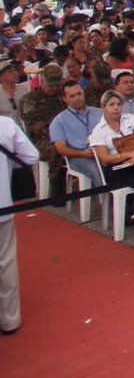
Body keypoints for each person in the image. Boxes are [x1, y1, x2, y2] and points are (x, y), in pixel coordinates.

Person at [89, 89, 134, 240]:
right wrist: (129, 155)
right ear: (103, 108)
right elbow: (105, 158)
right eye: (111, 105)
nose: (116, 108)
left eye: (118, 104)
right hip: (116, 168)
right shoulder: (98, 131)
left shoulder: (131, 119)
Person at [0, 116, 37, 335]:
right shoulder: (4, 124)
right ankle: (10, 319)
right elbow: (31, 156)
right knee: (6, 262)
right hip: (2, 204)